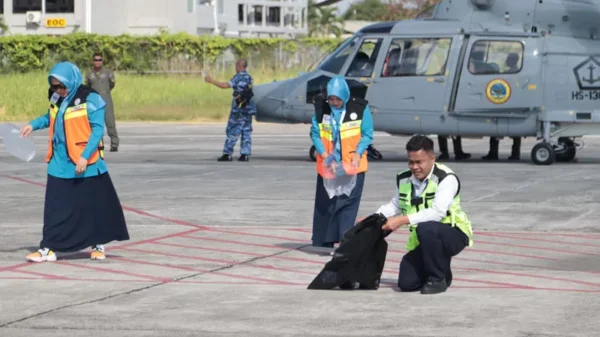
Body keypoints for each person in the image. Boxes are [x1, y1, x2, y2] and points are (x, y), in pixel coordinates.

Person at [20, 62, 130, 262]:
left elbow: (97, 130)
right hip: (58, 161)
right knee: (54, 207)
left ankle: (97, 244)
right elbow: (51, 117)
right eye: (54, 86)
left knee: (90, 206)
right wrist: (33, 125)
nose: (59, 90)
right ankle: (48, 248)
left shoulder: (91, 98)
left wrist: (85, 157)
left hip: (84, 163)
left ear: (72, 81)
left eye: (62, 86)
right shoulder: (56, 97)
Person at [376, 135, 473, 294]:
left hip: (453, 233)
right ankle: (442, 270)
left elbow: (437, 212)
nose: (414, 167)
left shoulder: (446, 178)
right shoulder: (404, 178)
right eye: (411, 162)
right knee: (406, 283)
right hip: (426, 239)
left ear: (432, 159)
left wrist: (402, 220)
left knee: (426, 228)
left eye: (419, 162)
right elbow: (395, 205)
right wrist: (373, 218)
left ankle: (438, 279)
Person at [310, 75, 374, 248]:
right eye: (331, 98)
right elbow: (315, 134)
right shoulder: (321, 108)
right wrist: (324, 155)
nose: (334, 102)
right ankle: (324, 240)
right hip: (329, 165)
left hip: (352, 165)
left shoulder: (360, 108)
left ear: (345, 95)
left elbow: (367, 134)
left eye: (338, 99)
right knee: (327, 204)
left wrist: (358, 153)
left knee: (347, 205)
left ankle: (345, 242)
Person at [205, 59, 256, 162]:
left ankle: (227, 154)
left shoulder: (238, 78)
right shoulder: (249, 78)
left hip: (238, 109)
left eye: (236, 65)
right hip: (248, 109)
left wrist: (212, 81)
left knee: (233, 130)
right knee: (246, 131)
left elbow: (225, 85)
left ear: (239, 66)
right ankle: (245, 154)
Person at [85, 52, 119, 152]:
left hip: (106, 98)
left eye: (100, 60)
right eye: (96, 60)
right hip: (95, 100)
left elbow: (112, 84)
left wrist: (105, 92)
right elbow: (87, 86)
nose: (98, 62)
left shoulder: (108, 72)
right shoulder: (89, 73)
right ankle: (100, 143)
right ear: (93, 61)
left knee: (110, 122)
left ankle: (114, 144)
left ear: (102, 61)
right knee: (96, 122)